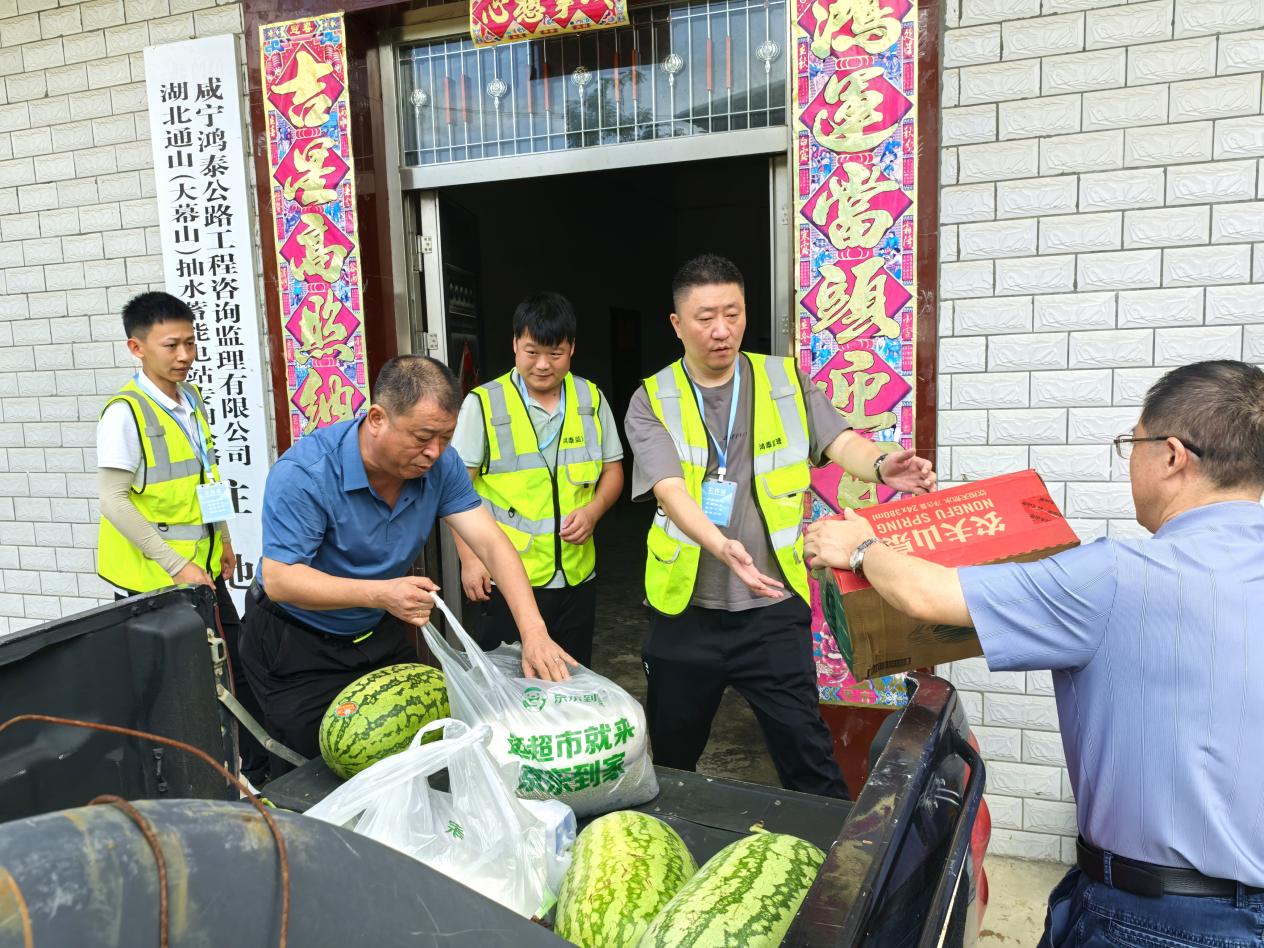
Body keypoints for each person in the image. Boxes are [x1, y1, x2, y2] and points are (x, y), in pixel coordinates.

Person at [803, 360, 1264, 946]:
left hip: (1155, 921)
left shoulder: (1116, 577)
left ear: (1172, 455)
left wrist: (860, 545)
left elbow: (928, 594)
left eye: (1133, 443)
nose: (1130, 461)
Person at [623, 254, 936, 799]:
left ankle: (833, 873)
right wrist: (721, 544)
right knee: (672, 760)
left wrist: (885, 465)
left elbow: (841, 443)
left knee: (807, 756)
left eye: (733, 313)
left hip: (772, 610)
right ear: (676, 324)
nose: (721, 330)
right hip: (684, 614)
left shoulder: (784, 379)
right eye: (704, 318)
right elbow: (669, 490)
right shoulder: (652, 398)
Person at [239, 355, 575, 774]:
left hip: (373, 629)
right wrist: (381, 593)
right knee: (317, 772)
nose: (434, 452)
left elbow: (490, 542)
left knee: (422, 751)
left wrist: (534, 631)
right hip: (296, 644)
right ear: (377, 418)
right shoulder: (305, 474)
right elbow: (281, 580)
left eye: (446, 438)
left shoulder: (440, 465)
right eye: (422, 437)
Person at [96, 291, 268, 786]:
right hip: (156, 583)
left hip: (204, 572)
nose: (185, 356)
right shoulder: (124, 414)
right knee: (175, 692)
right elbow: (114, 501)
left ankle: (246, 775)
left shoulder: (189, 400)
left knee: (230, 669)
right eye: (171, 345)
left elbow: (206, 476)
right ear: (137, 348)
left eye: (191, 343)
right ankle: (184, 783)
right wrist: (175, 565)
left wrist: (225, 536)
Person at [450, 292, 625, 668]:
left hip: (577, 578)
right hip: (507, 581)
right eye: (532, 353)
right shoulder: (483, 404)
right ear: (515, 344)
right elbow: (454, 489)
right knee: (511, 688)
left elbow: (613, 471)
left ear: (572, 348)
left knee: (573, 681)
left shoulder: (590, 399)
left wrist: (594, 511)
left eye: (555, 354)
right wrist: (469, 558)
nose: (543, 365)